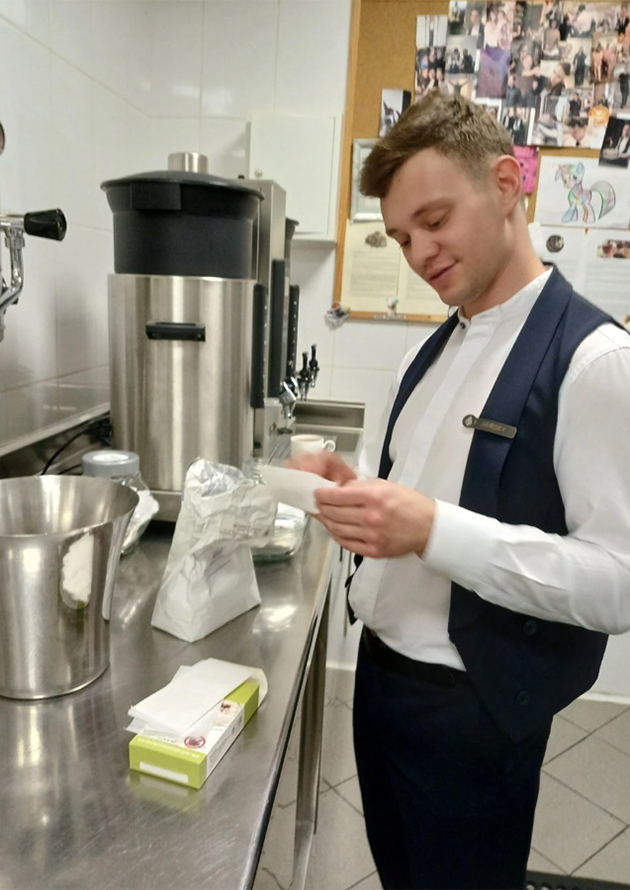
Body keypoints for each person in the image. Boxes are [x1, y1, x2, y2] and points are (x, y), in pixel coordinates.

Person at [291, 92, 630, 890]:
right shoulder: (436, 349)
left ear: (507, 184)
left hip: (473, 711)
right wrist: (361, 495)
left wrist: (432, 530)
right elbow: (429, 495)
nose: (419, 253)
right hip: (380, 685)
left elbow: (618, 583)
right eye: (402, 238)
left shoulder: (596, 362)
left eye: (435, 220)